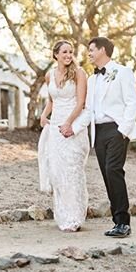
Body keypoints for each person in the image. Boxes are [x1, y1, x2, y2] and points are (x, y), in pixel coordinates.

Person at [86, 37, 136, 238]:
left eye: (91, 49)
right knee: (107, 175)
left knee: (113, 171)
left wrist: (122, 131)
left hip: (117, 130)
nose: (89, 53)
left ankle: (123, 223)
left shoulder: (123, 72)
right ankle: (117, 222)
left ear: (103, 50)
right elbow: (88, 110)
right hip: (98, 132)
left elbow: (131, 103)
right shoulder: (92, 79)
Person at [38, 40, 91, 232]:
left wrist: (69, 123)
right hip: (55, 129)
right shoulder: (49, 75)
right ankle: (63, 215)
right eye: (64, 52)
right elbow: (52, 101)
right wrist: (44, 115)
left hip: (73, 127)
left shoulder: (79, 73)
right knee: (58, 171)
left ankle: (75, 217)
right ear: (56, 55)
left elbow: (81, 103)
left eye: (71, 52)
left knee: (72, 169)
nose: (68, 55)